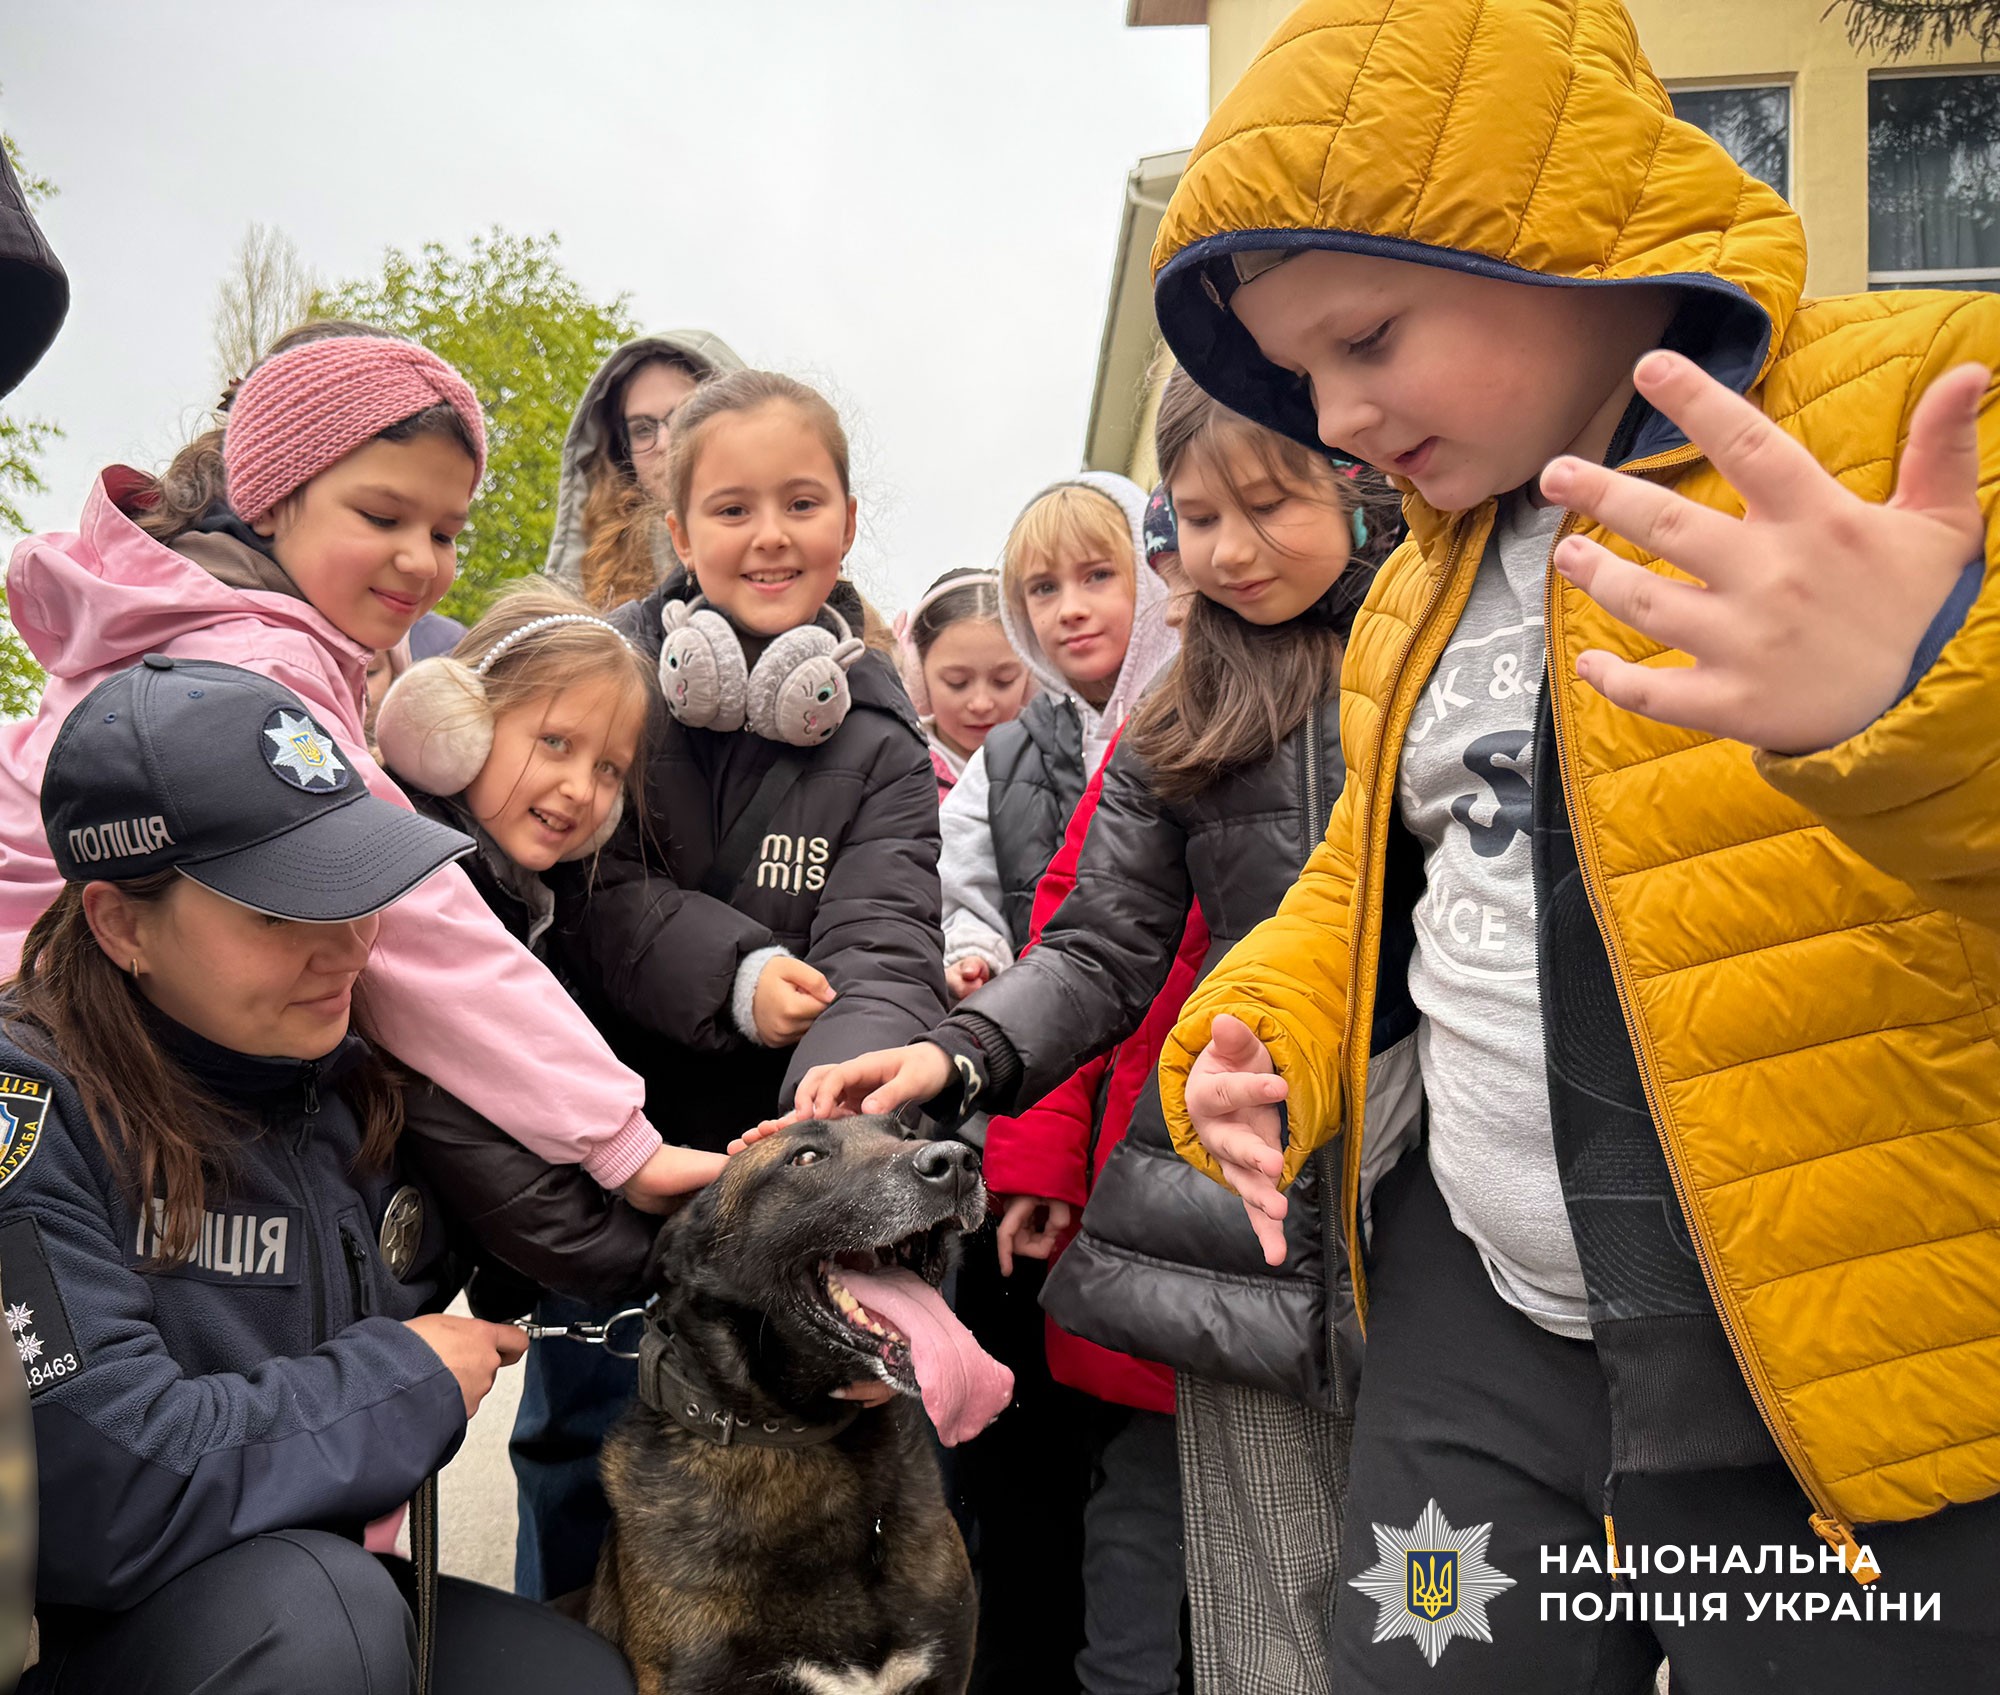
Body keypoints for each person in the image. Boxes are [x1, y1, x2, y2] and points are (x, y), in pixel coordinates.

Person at [1143, 2, 2000, 1690]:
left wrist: (1906, 701)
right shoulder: (1425, 570)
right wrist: (1263, 1030)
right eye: (1301, 373)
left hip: (1839, 1360)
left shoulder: (1919, 418)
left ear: (1558, 231)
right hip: (1488, 1323)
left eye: (1368, 335)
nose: (1337, 414)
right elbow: (1382, 870)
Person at [789, 366, 1396, 1694]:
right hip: (1248, 1199)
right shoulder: (1179, 717)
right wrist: (959, 1052)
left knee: (1447, 1587)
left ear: (1359, 484)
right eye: (1199, 518)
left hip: (1437, 1184)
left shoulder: (1433, 652)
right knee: (1267, 1597)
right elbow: (1095, 943)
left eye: (1268, 504)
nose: (1231, 550)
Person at [6, 656, 632, 1694]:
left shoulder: (344, 1069)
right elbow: (102, 1490)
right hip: (70, 1629)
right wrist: (402, 1383)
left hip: (289, 1580)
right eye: (278, 910)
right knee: (320, 1620)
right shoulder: (30, 1107)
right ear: (121, 924)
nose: (346, 948)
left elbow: (552, 1230)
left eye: (357, 888)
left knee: (569, 1679)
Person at [0, 328, 719, 1213]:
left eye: (445, 531)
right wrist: (617, 1135)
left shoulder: (173, 614)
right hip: (69, 1046)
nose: (421, 559)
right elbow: (414, 918)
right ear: (270, 499)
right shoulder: (256, 667)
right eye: (382, 518)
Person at [511, 368, 949, 1600]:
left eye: (800, 503)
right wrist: (737, 971)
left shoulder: (882, 740)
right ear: (678, 530)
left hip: (780, 1174)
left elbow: (884, 939)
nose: (769, 536)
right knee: (580, 1445)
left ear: (847, 522)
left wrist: (837, 1106)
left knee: (790, 1468)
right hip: (607, 1145)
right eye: (732, 509)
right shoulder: (606, 681)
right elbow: (581, 888)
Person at [375, 581, 662, 1309]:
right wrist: (638, 1256)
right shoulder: (421, 880)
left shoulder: (532, 898)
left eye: (608, 768)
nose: (581, 789)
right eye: (556, 743)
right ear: (460, 724)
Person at [938, 473, 1178, 1002]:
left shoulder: (1207, 720)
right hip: (1047, 1024)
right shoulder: (1003, 757)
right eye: (1044, 587)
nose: (1070, 608)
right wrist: (974, 952)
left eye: (1098, 575)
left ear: (1149, 574)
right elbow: (958, 880)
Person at [543, 330, 746, 611]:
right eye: (642, 429)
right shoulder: (589, 591)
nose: (664, 443)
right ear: (622, 452)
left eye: (686, 417)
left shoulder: (794, 549)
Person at [894, 566, 1032, 799]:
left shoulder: (1061, 761)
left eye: (1004, 681)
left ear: (1032, 677)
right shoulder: (894, 773)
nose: (981, 704)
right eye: (957, 682)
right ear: (917, 676)